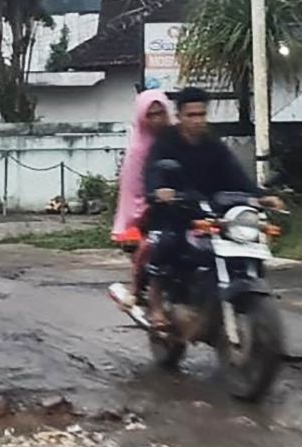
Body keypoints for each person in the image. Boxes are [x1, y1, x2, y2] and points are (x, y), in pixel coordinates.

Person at [141, 87, 283, 329]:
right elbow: (153, 173)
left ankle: (224, 298)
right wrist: (159, 191)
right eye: (191, 115)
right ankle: (155, 301)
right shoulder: (165, 143)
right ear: (180, 115)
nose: (197, 120)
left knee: (243, 243)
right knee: (167, 242)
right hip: (174, 212)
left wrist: (261, 197)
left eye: (202, 114)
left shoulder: (213, 145)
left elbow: (236, 176)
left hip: (210, 211)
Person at [110, 89, 173, 310]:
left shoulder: (176, 139)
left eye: (160, 113)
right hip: (148, 213)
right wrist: (149, 205)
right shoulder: (138, 149)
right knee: (151, 246)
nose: (157, 119)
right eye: (151, 115)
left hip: (181, 206)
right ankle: (138, 290)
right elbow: (133, 189)